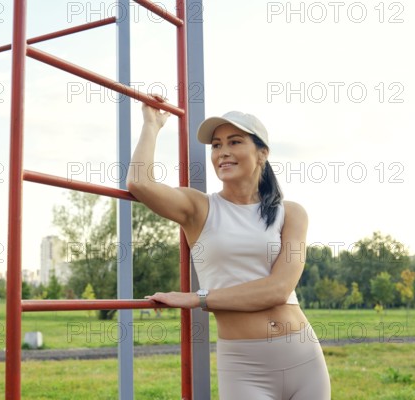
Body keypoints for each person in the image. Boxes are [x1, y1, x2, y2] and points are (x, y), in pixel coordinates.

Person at [126, 95, 331, 400]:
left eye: (234, 142)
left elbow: (279, 289)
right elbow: (140, 183)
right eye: (217, 145)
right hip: (244, 366)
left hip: (302, 357)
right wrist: (151, 125)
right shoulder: (200, 208)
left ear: (262, 153)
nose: (223, 152)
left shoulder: (291, 212)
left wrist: (197, 298)